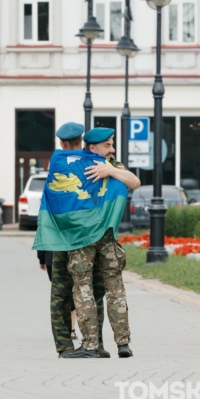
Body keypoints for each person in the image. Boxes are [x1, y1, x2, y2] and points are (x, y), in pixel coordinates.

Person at [64, 127, 140, 359]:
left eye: (112, 144)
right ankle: (99, 344)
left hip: (99, 237)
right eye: (107, 146)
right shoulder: (77, 165)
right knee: (92, 288)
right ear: (92, 148)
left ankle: (112, 345)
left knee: (99, 289)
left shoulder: (112, 166)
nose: (112, 149)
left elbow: (135, 182)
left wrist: (109, 170)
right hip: (86, 236)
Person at [45, 122, 107, 357]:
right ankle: (97, 343)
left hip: (62, 239)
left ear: (62, 142)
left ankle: (64, 346)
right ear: (83, 140)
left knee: (60, 292)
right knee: (92, 289)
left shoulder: (57, 160)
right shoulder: (96, 161)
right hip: (91, 237)